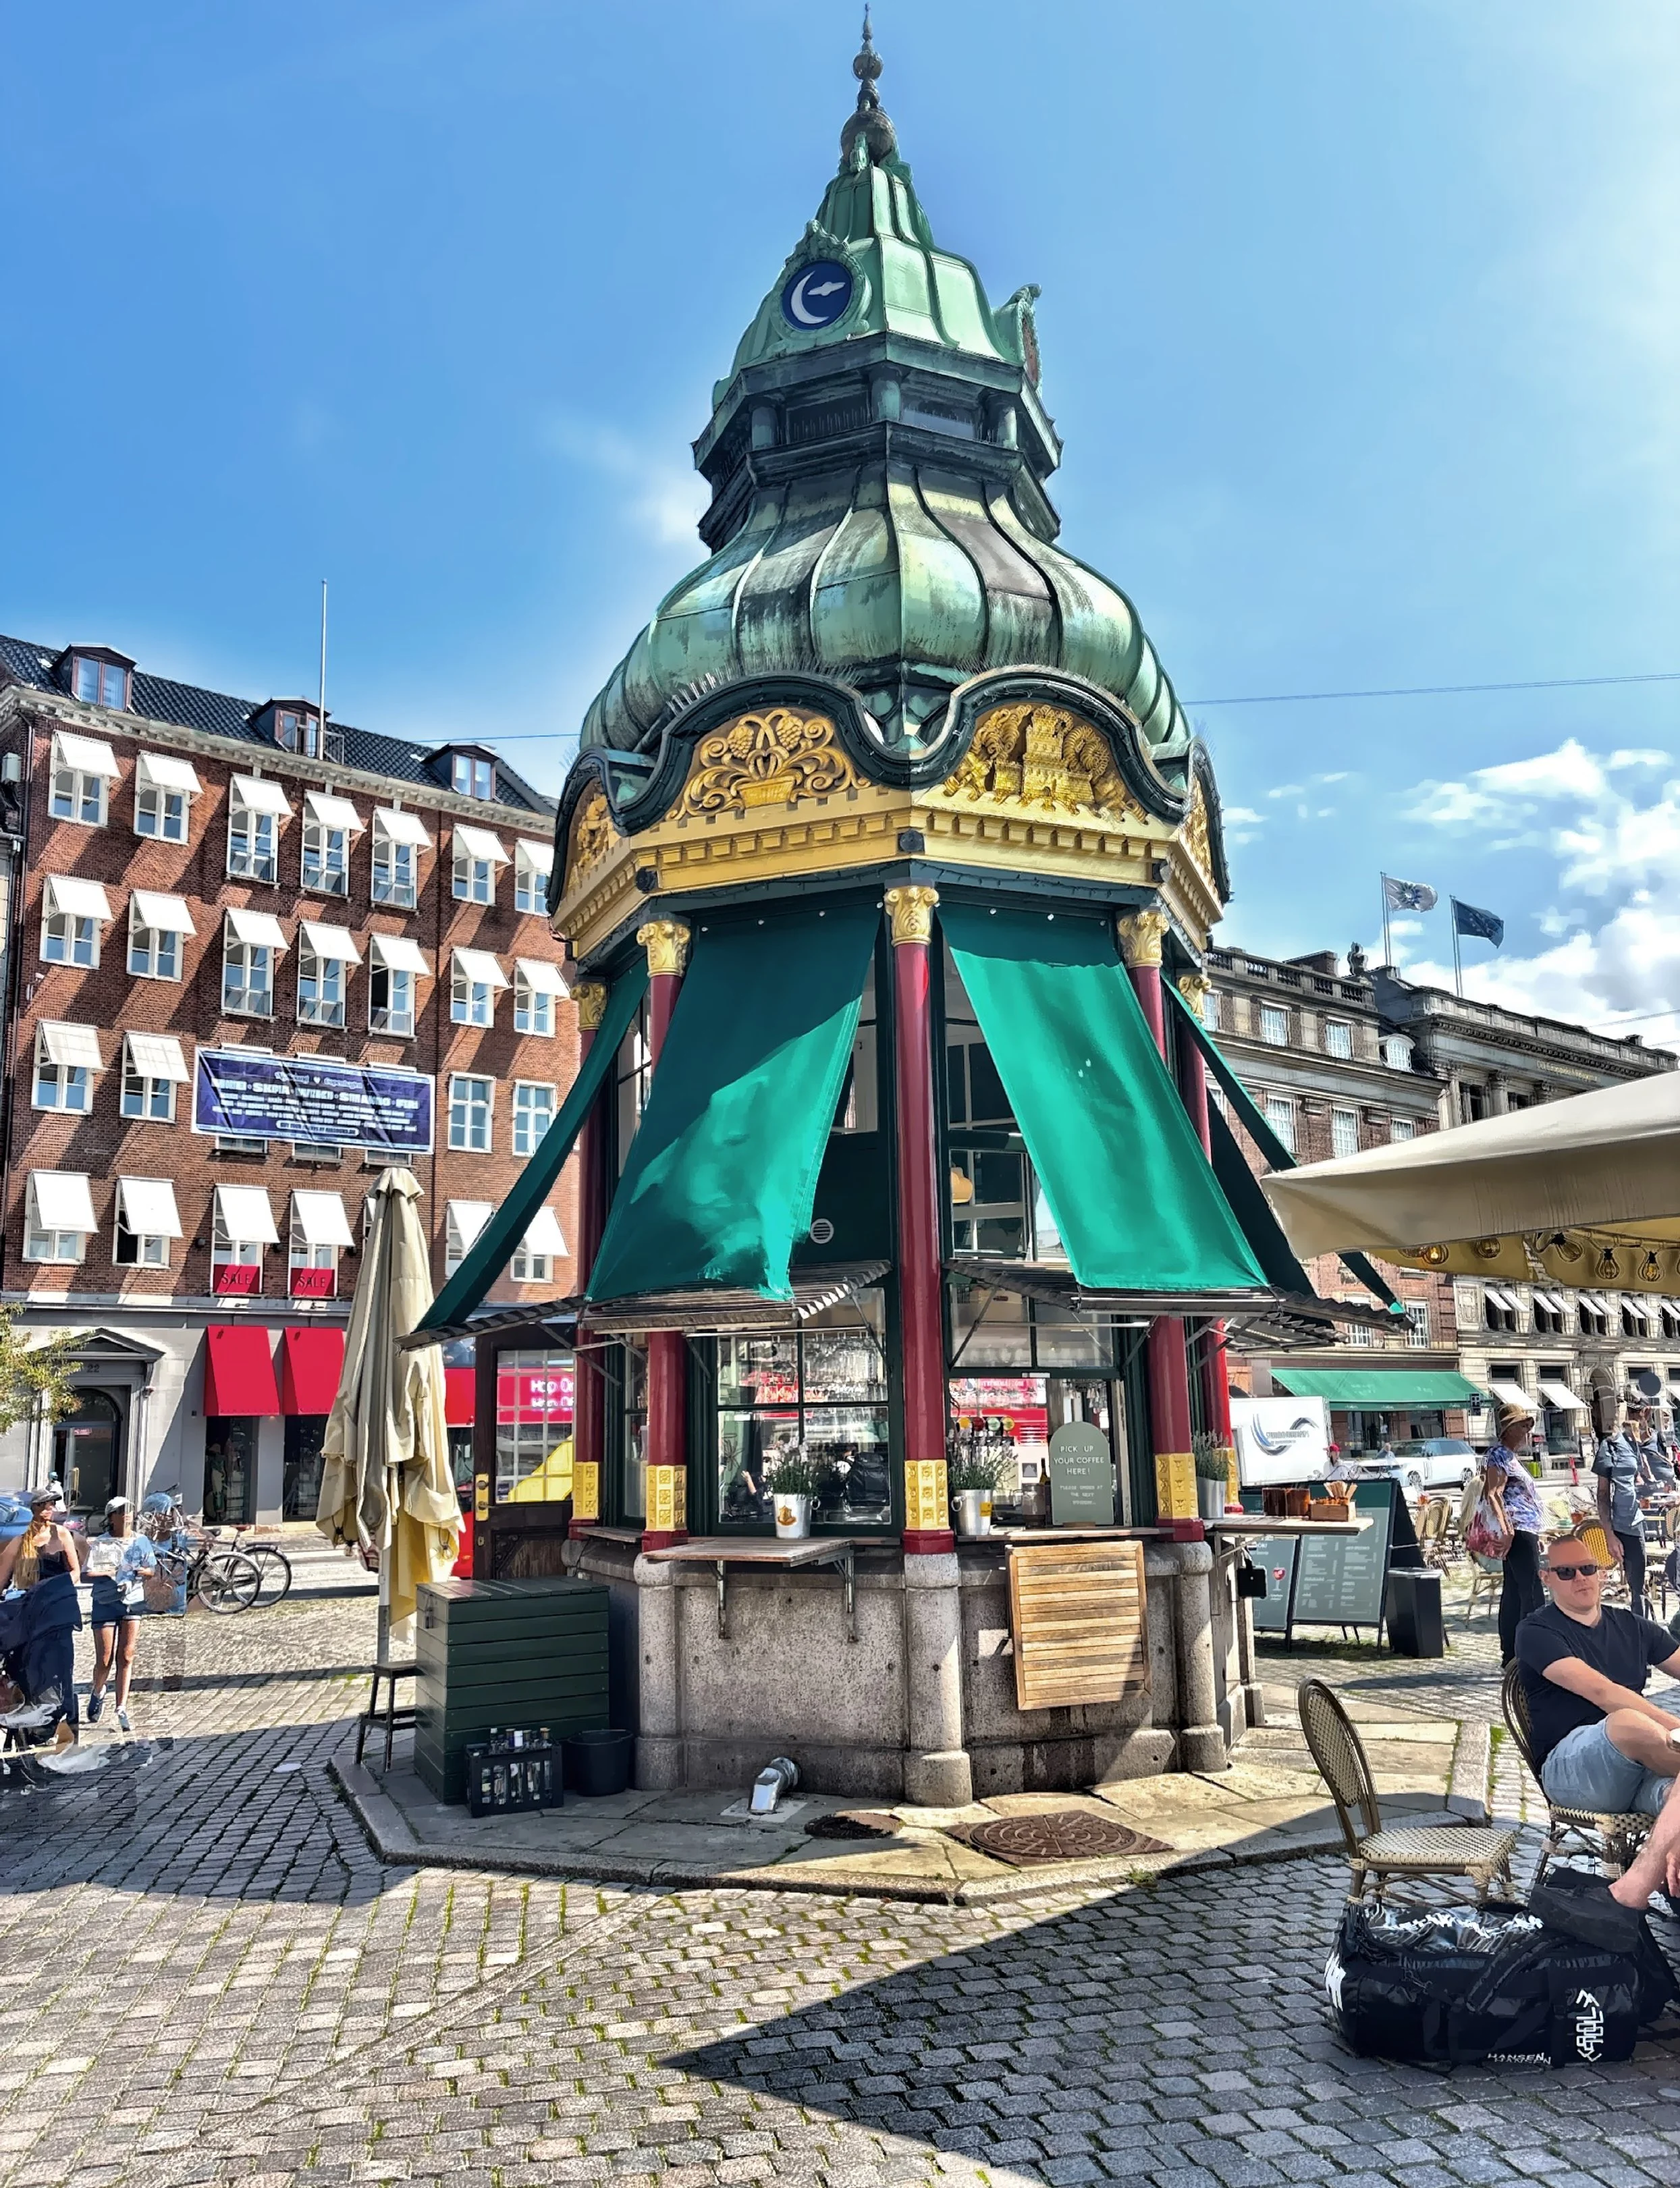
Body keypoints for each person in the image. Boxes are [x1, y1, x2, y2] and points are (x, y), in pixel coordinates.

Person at [1515, 1530, 1680, 1822]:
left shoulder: (1632, 1626)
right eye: (1566, 1572)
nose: (1580, 1578)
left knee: (1675, 1798)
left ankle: (1646, 1869)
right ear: (1546, 1578)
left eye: (1588, 1568)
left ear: (1600, 1573)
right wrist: (1677, 1731)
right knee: (1627, 1722)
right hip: (1572, 1768)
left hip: (1642, 1765)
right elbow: (1602, 1693)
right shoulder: (1535, 1631)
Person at [0, 1483, 82, 1741]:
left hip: (56, 1610)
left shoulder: (62, 1535)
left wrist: (50, 1587)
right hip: (28, 1613)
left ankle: (64, 1724)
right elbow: (2, 1581)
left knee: (60, 1667)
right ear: (33, 1509)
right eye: (44, 1505)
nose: (49, 1509)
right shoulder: (18, 1541)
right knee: (23, 1664)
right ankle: (22, 1723)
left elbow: (75, 1573)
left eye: (51, 1504)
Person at [82, 1496, 156, 1732]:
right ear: (111, 1517)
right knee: (104, 1659)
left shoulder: (141, 1541)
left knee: (126, 1656)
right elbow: (85, 1575)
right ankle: (98, 1690)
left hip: (133, 1600)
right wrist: (107, 1573)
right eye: (121, 1512)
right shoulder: (101, 1543)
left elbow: (151, 1569)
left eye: (129, 1511)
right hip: (105, 1601)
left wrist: (140, 1571)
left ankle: (121, 1707)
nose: (127, 1516)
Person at [1483, 1403, 1545, 1665]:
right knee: (1531, 1591)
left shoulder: (1509, 1456)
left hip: (1524, 1528)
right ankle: (1533, 1649)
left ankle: (1512, 1652)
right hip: (1517, 1529)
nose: (1527, 1431)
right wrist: (1507, 1530)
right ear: (1508, 1430)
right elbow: (1492, 1493)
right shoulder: (1498, 1455)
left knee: (1515, 1590)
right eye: (1522, 1426)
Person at [1596, 1409, 1649, 1617]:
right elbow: (1602, 1495)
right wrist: (1610, 1535)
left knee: (1639, 1587)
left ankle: (1643, 1632)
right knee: (1635, 1587)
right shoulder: (1609, 1447)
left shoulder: (1634, 1443)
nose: (1642, 1418)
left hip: (1637, 1521)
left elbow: (1637, 1479)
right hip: (1621, 1526)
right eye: (1637, 1413)